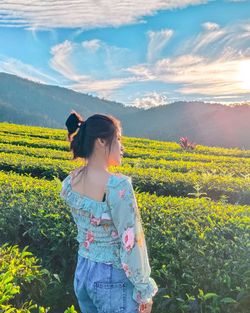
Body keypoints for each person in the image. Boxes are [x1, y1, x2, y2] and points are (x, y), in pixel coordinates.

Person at [60, 110, 158, 313]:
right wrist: (143, 290)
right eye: (119, 139)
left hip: (83, 272)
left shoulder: (71, 181)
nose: (122, 147)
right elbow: (132, 243)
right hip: (112, 278)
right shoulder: (117, 185)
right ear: (101, 141)